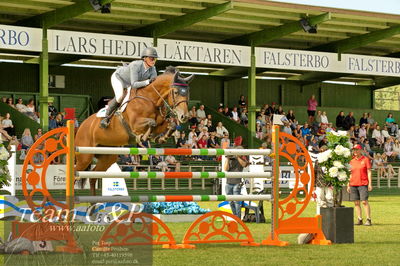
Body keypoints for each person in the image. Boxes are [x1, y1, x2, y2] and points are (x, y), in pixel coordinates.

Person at [100, 47, 158, 128]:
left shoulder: (153, 69)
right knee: (120, 96)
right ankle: (106, 117)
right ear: (144, 58)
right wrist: (148, 81)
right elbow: (134, 84)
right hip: (119, 78)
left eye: (155, 59)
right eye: (151, 58)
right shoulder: (135, 65)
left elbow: (153, 85)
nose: (153, 61)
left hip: (131, 83)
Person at [347, 144, 372, 226]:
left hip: (363, 183)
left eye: (357, 149)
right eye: (354, 150)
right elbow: (350, 173)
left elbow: (369, 172)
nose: (355, 151)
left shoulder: (365, 160)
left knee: (364, 201)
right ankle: (359, 219)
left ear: (360, 150)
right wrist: (348, 184)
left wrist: (370, 183)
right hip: (353, 184)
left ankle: (368, 219)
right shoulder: (351, 161)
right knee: (356, 203)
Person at [223, 146, 249, 219]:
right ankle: (235, 216)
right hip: (228, 182)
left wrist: (238, 157)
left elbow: (244, 164)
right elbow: (225, 169)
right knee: (230, 201)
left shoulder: (243, 159)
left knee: (236, 201)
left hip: (237, 182)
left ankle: (237, 217)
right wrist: (228, 158)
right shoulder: (231, 158)